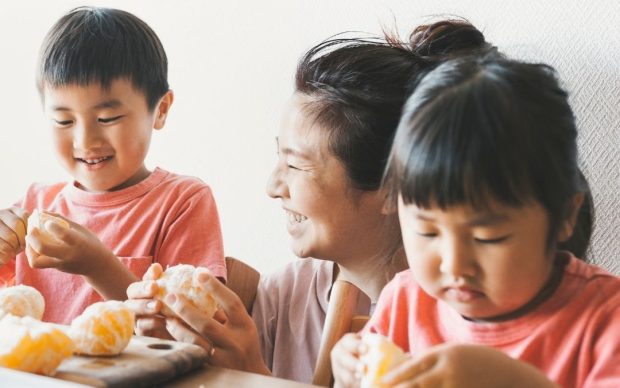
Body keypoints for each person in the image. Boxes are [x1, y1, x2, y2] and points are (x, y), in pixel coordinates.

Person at [127, 19, 494, 383]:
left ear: (392, 188)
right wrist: (173, 351)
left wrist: (255, 378)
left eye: (295, 164)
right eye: (277, 158)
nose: (273, 186)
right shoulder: (285, 296)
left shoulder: (459, 324)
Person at [331, 54, 620, 387]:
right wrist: (349, 372)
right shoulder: (405, 303)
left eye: (487, 237)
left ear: (566, 215)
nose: (455, 265)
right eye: (427, 231)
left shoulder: (604, 319)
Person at [0, 7, 226, 324]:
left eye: (107, 119)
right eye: (63, 120)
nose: (86, 140)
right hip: (34, 375)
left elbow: (190, 330)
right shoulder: (33, 204)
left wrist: (99, 266)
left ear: (160, 110)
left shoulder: (182, 202)